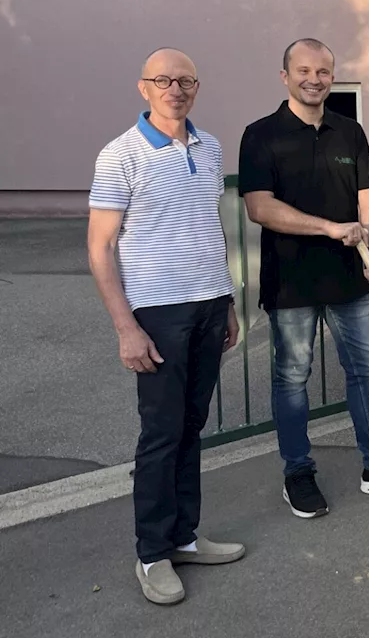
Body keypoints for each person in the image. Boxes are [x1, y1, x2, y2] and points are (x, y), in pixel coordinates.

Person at [239, 38, 369, 519]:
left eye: (323, 71)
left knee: (366, 372)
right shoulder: (261, 135)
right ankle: (298, 473)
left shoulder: (348, 132)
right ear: (284, 76)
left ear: (333, 76)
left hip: (353, 275)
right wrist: (331, 228)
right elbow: (259, 207)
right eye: (303, 70)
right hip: (292, 282)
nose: (314, 79)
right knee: (292, 378)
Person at [88, 47, 245, 605]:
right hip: (157, 313)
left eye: (185, 80)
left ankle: (184, 537)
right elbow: (101, 246)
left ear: (196, 88)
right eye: (163, 80)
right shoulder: (121, 155)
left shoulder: (210, 147)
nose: (175, 88)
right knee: (160, 433)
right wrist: (125, 328)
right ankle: (152, 553)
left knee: (191, 425)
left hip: (207, 306)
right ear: (144, 88)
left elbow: (212, 229)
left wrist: (226, 301)